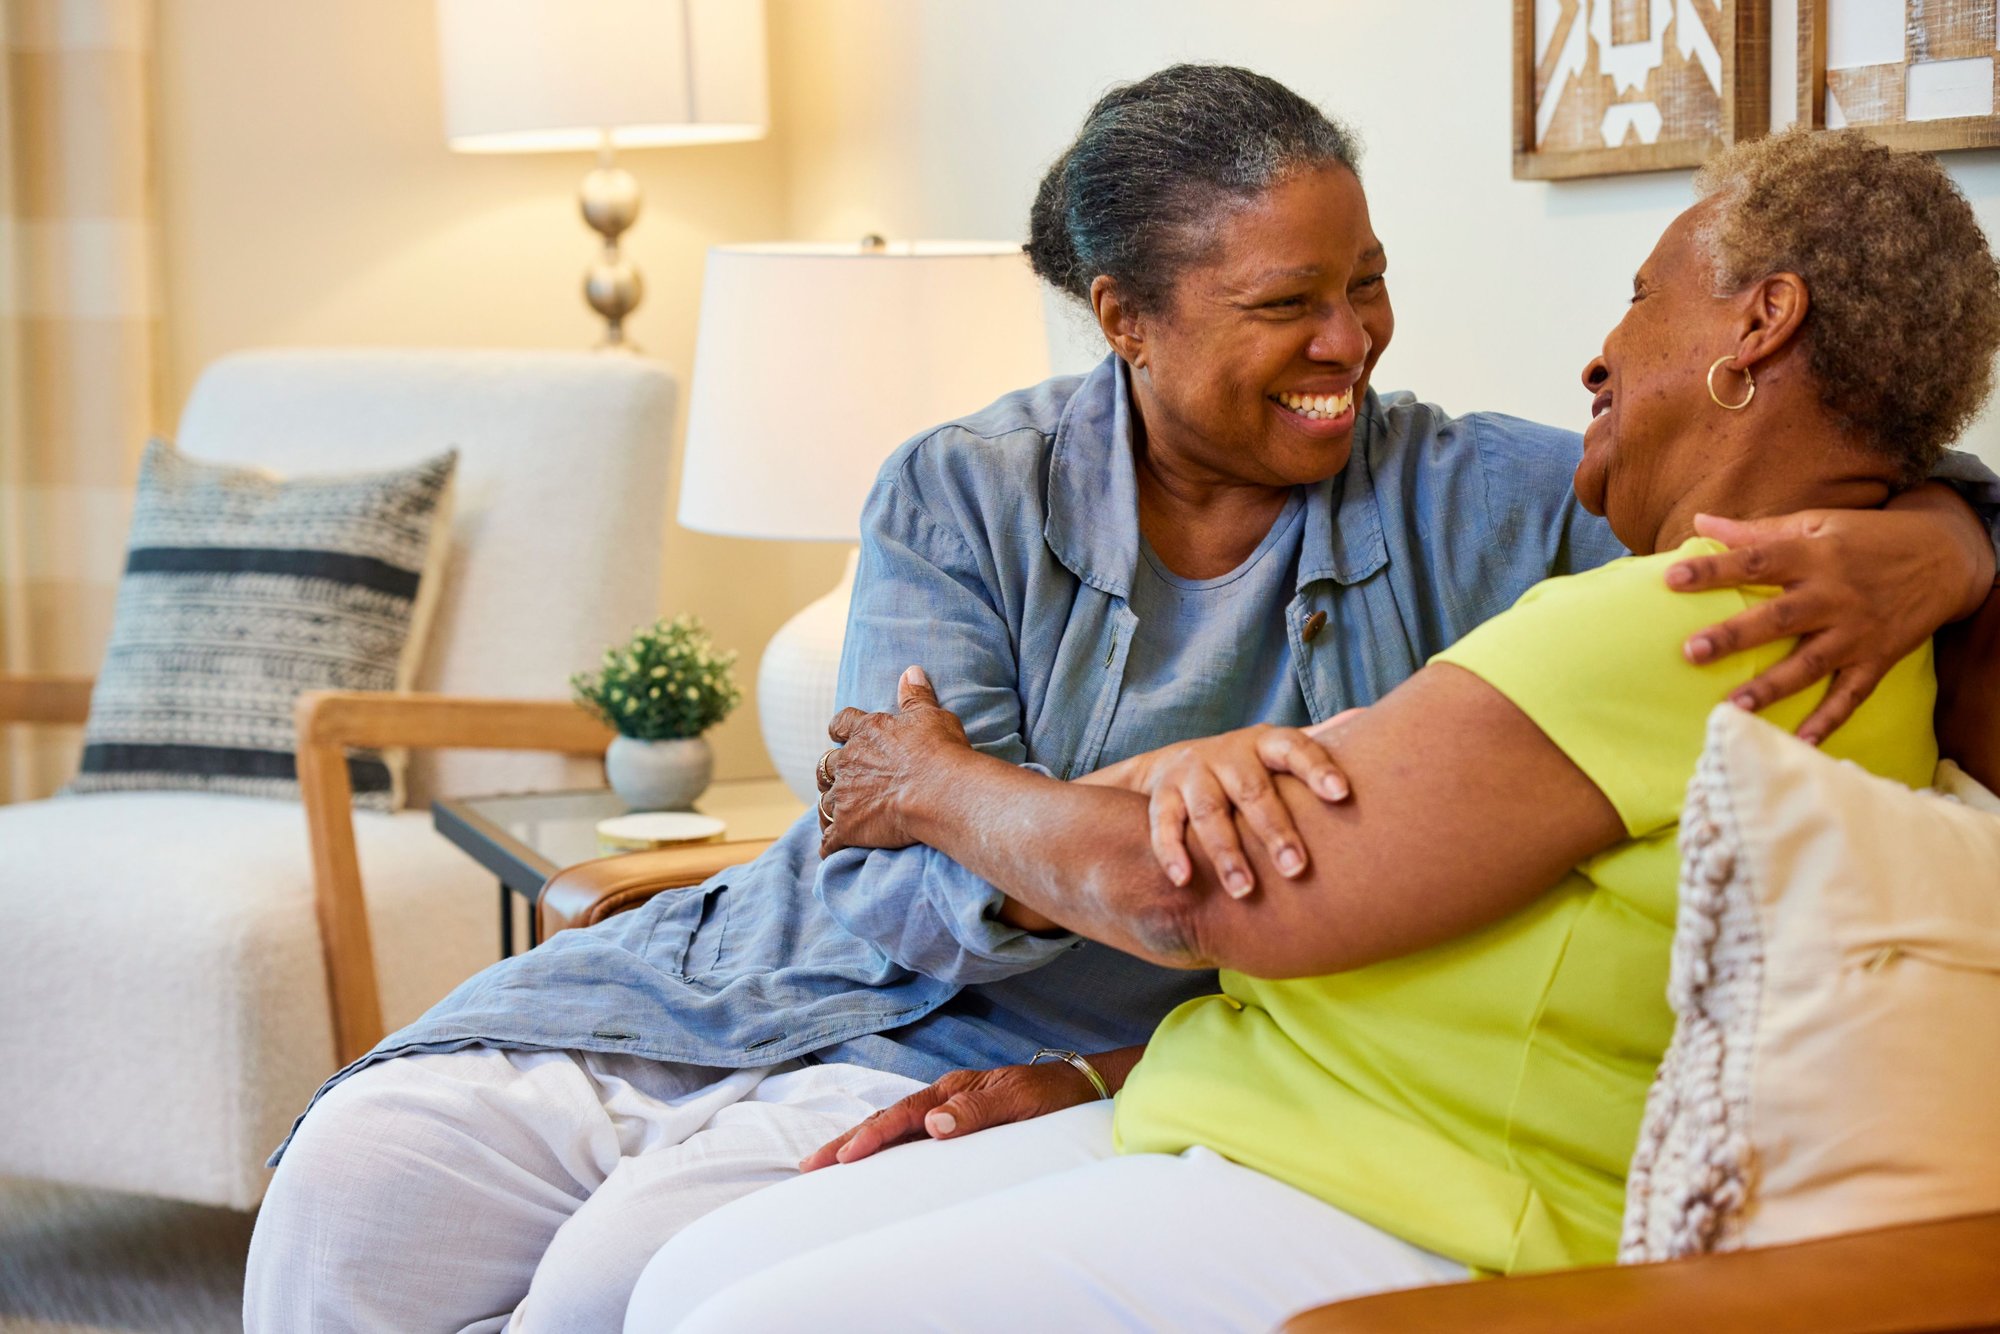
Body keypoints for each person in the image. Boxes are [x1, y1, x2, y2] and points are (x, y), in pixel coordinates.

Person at [243, 68, 2000, 1332]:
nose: (1353, 338)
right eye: (1287, 303)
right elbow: (890, 882)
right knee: (361, 1176)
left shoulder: (1507, 504)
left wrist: (1941, 540)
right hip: (806, 982)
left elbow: (1848, 455)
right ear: (1125, 320)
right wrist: (1114, 802)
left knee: (624, 1281)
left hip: (1056, 1054)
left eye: (1367, 283)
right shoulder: (964, 488)